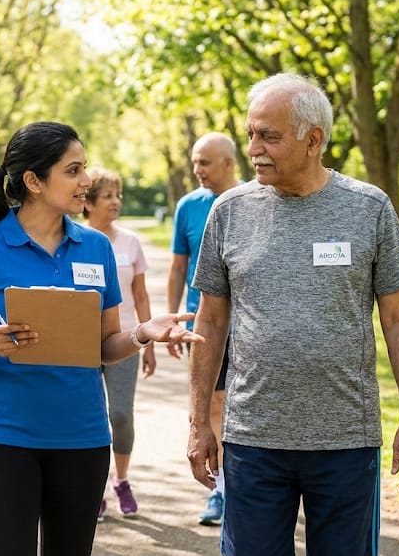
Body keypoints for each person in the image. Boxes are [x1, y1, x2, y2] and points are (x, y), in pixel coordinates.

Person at [186, 73, 399, 556]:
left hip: (346, 438)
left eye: (269, 136)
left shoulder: (368, 208)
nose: (254, 149)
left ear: (313, 140)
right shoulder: (229, 211)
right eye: (251, 134)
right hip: (253, 437)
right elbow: (209, 321)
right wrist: (198, 423)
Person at [0, 121, 203, 556]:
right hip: (3, 439)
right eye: (73, 170)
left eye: (84, 168)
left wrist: (141, 333)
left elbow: (104, 346)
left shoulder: (96, 248)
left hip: (83, 439)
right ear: (34, 181)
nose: (86, 181)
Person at [166, 131, 238, 525]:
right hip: (203, 323)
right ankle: (220, 491)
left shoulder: (254, 199)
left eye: (204, 162)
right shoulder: (188, 207)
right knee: (212, 405)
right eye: (195, 162)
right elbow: (178, 266)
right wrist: (172, 317)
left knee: (244, 408)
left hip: (250, 323)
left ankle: (255, 487)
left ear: (228, 163)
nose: (197, 169)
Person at [82, 167, 155, 521]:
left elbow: (140, 294)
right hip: (81, 344)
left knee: (121, 414)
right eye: (107, 196)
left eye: (118, 195)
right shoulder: (76, 240)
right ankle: (93, 487)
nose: (115, 202)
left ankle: (121, 480)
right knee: (90, 416)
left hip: (124, 340)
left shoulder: (130, 242)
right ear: (89, 202)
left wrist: (149, 342)